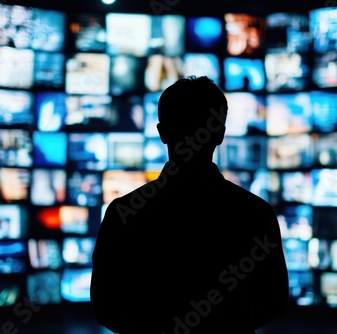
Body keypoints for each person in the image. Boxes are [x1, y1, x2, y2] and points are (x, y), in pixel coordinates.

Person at [91, 75, 289, 334]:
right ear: (220, 134)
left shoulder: (123, 213)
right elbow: (273, 301)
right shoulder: (256, 213)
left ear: (162, 133)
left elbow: (106, 307)